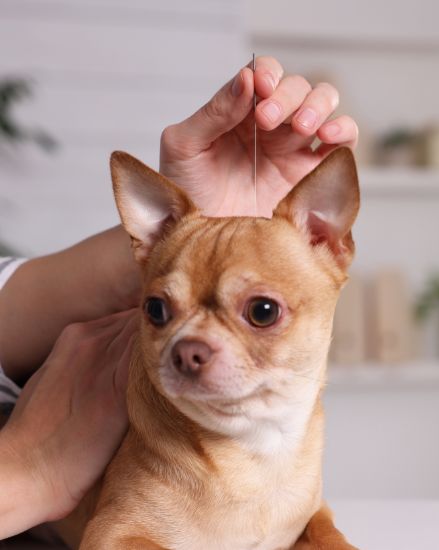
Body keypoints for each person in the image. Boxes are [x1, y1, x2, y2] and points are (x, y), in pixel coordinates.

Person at [0, 56, 358, 539]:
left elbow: (307, 519)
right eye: (161, 311)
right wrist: (27, 472)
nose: (191, 348)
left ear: (329, 242)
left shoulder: (295, 449)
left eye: (261, 311)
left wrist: (200, 230)